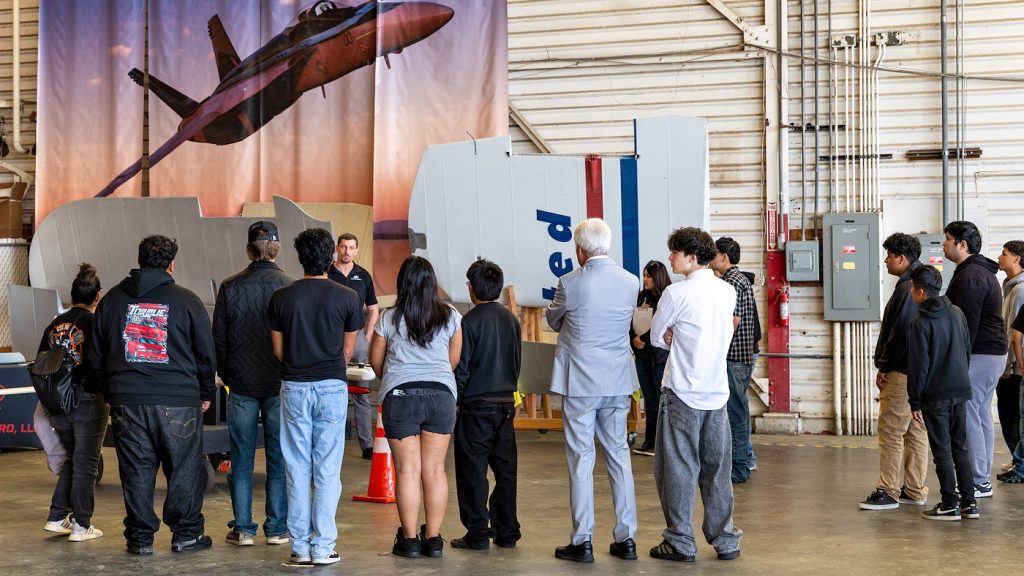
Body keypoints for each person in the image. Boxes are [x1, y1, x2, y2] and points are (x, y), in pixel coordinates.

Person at [89, 235, 216, 555]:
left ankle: (140, 539)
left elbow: (95, 355)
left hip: (127, 400)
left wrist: (109, 391)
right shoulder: (187, 301)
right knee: (184, 468)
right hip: (178, 400)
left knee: (136, 470)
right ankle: (186, 535)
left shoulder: (111, 301)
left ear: (139, 260)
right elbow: (206, 354)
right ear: (171, 264)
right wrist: (205, 391)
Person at [267, 228, 363, 566]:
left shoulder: (281, 297)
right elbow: (347, 352)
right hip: (332, 386)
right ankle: (323, 547)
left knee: (295, 466)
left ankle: (299, 548)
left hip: (294, 385)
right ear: (331, 257)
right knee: (327, 468)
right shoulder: (348, 297)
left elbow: (278, 350)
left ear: (298, 257)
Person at [546, 218, 639, 564]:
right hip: (616, 381)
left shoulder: (569, 282)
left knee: (581, 458)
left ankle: (582, 540)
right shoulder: (630, 282)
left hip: (580, 383)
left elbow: (553, 320)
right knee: (618, 454)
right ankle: (626, 538)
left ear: (580, 250)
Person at [649, 227, 742, 562]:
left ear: (691, 257)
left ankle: (680, 541)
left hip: (682, 392)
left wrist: (673, 334)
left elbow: (656, 337)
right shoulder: (727, 291)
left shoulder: (675, 294)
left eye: (675, 252)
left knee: (677, 468)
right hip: (717, 393)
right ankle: (726, 540)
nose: (670, 258)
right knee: (717, 468)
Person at [369, 255, 462, 559]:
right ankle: (433, 540)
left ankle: (409, 541)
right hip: (441, 396)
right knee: (434, 470)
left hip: (400, 395)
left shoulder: (389, 317)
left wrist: (394, 380)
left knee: (408, 470)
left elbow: (375, 360)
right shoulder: (451, 315)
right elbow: (453, 359)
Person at [212, 221, 293, 546]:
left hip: (242, 385)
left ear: (248, 249)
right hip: (279, 384)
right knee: (278, 458)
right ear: (277, 248)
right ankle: (277, 528)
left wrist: (228, 376)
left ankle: (243, 528)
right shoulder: (289, 287)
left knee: (241, 457)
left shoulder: (230, 287)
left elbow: (218, 340)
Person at [452, 259, 522, 550]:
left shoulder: (467, 322)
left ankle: (478, 532)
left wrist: (457, 400)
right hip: (506, 404)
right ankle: (507, 531)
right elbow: (516, 362)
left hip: (476, 406)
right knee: (505, 471)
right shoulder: (511, 319)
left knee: (473, 470)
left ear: (471, 288)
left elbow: (462, 368)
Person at [859, 233, 929, 510]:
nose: (886, 260)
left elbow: (901, 334)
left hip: (901, 372)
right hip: (918, 371)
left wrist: (884, 366)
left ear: (902, 258)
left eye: (889, 256)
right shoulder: (917, 283)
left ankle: (888, 490)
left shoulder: (908, 288)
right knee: (915, 431)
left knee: (891, 431)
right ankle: (914, 489)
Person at [39, 263, 106, 542]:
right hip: (87, 399)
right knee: (86, 462)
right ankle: (81, 525)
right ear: (98, 296)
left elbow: (42, 363)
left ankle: (57, 516)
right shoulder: (95, 323)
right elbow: (100, 363)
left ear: (72, 294)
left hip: (57, 402)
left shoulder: (54, 324)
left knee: (74, 458)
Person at [907, 265, 978, 521]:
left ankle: (949, 503)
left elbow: (919, 367)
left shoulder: (920, 323)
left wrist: (915, 401)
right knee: (960, 447)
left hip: (935, 395)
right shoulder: (957, 312)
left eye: (912, 289)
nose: (911, 294)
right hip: (960, 389)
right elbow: (967, 350)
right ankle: (969, 503)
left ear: (921, 292)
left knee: (942, 451)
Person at [943, 221, 1007, 498]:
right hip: (990, 353)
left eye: (948, 239)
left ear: (962, 244)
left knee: (969, 413)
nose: (944, 244)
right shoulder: (976, 271)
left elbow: (965, 324)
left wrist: (953, 360)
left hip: (980, 353)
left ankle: (978, 480)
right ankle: (981, 478)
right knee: (980, 414)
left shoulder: (971, 276)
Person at [328, 232, 379, 460]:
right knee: (331, 392)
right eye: (343, 247)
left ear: (356, 250)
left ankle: (367, 445)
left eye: (351, 247)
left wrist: (366, 336)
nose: (346, 251)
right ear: (337, 248)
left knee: (361, 395)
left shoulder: (363, 276)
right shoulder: (327, 272)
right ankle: (331, 443)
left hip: (357, 338)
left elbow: (373, 309)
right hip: (332, 339)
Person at [710, 237, 758, 483]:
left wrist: (712, 347)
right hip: (740, 357)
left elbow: (733, 320)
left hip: (733, 357)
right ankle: (746, 460)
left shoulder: (732, 282)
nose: (710, 258)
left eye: (714, 253)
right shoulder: (737, 279)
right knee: (739, 411)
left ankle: (738, 469)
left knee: (735, 414)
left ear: (724, 257)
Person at [630, 260, 671, 456]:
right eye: (644, 276)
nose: (645, 279)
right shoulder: (640, 297)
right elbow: (630, 321)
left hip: (659, 357)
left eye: (648, 276)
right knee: (649, 400)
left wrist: (643, 338)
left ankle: (662, 443)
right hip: (641, 355)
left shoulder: (666, 298)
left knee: (661, 400)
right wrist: (633, 338)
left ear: (658, 277)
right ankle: (649, 440)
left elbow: (661, 325)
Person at [996, 240, 1024, 478]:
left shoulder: (1020, 289)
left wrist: (1006, 366)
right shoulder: (1009, 285)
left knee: (1012, 417)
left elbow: (1014, 334)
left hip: (1014, 368)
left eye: (1004, 253)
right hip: (1009, 364)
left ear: (1017, 258)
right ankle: (1017, 460)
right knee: (1010, 416)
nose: (999, 257)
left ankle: (1020, 464)